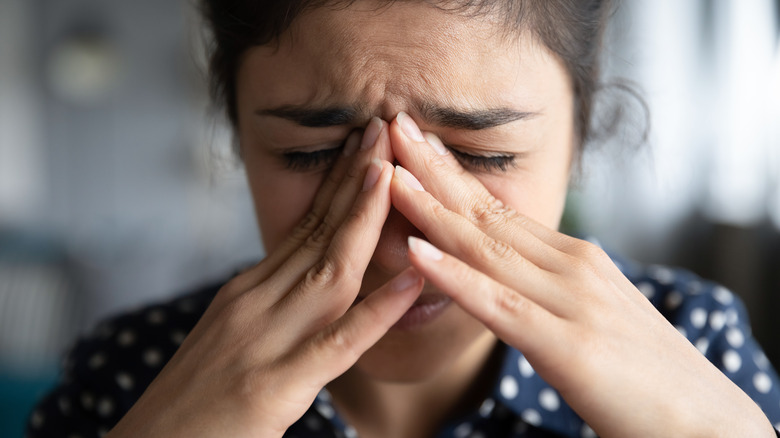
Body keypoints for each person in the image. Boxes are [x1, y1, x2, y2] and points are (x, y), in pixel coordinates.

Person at [27, 0, 780, 437]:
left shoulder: (698, 344)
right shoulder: (131, 376)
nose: (396, 245)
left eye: (481, 156)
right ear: (238, 136)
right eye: (312, 153)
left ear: (579, 134)